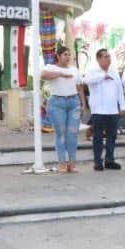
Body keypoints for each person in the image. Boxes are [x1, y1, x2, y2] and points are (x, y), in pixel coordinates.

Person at [41, 46, 87, 174]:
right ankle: (61, 163)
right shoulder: (51, 67)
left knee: (72, 134)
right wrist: (60, 74)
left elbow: (80, 88)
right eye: (65, 54)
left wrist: (83, 104)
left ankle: (72, 163)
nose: (68, 57)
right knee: (60, 134)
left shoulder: (74, 70)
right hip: (57, 103)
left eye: (69, 54)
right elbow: (43, 75)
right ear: (58, 56)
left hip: (74, 103)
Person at [84, 49, 125, 171]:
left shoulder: (114, 72)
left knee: (112, 136)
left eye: (109, 56)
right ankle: (97, 162)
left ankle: (109, 160)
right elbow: (86, 81)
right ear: (98, 59)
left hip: (112, 110)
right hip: (98, 111)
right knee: (97, 137)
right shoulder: (92, 71)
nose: (108, 58)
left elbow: (120, 90)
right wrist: (103, 76)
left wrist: (122, 106)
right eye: (105, 56)